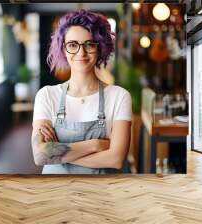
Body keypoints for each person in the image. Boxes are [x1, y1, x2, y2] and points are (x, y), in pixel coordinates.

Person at [31, 9, 132, 174]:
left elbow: (116, 159)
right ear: (63, 49)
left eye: (89, 44)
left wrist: (58, 154)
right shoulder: (47, 95)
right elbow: (40, 155)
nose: (81, 52)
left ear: (100, 48)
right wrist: (96, 145)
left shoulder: (119, 96)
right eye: (72, 45)